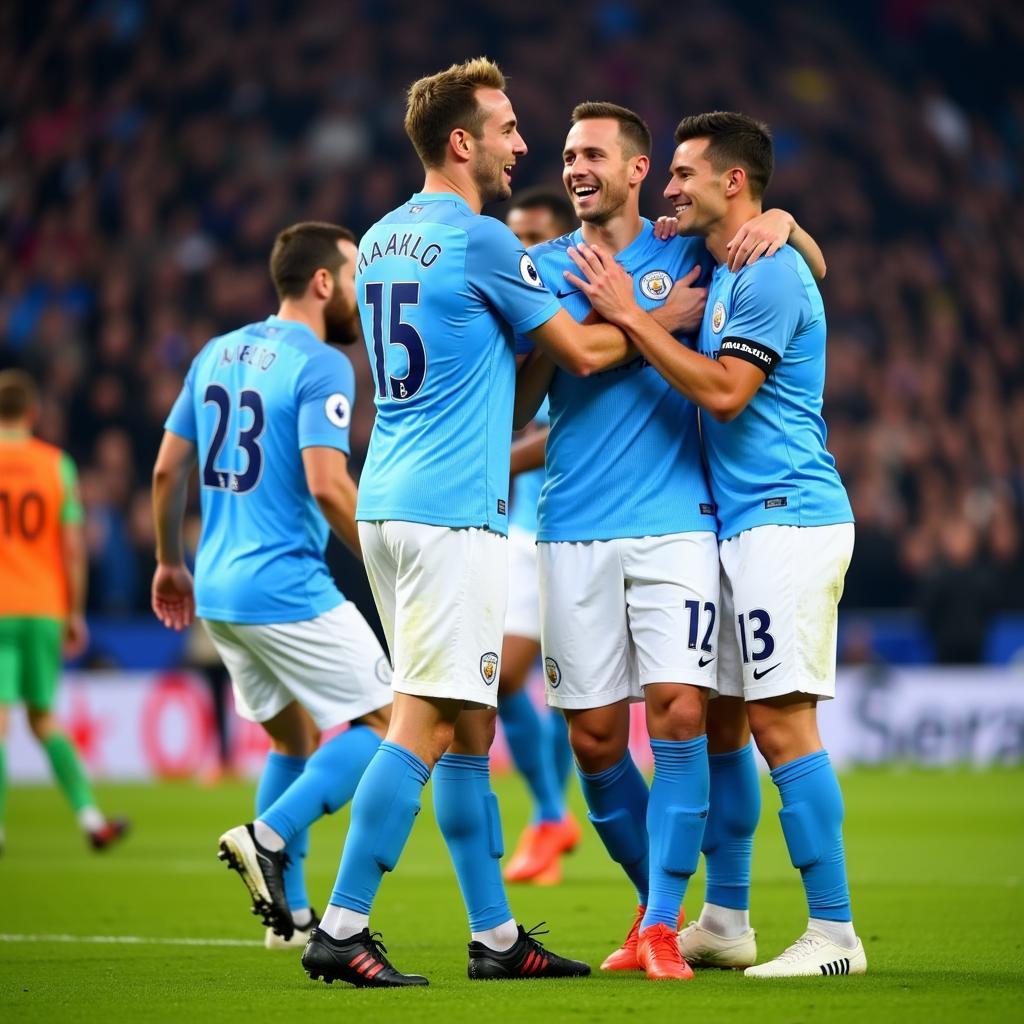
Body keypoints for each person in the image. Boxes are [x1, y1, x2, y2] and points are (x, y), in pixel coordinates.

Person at [301, 57, 638, 990]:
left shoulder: (378, 241)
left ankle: (494, 936)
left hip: (390, 501)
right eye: (508, 128)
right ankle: (342, 925)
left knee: (470, 721)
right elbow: (580, 352)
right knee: (419, 721)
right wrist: (657, 315)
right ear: (462, 142)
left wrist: (541, 337)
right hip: (453, 515)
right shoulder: (485, 240)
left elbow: (500, 377)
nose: (521, 145)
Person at [514, 103, 825, 981]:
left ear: (639, 169)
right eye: (568, 154)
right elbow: (541, 384)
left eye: (593, 155)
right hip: (569, 524)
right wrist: (613, 329)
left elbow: (808, 268)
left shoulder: (686, 249)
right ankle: (662, 902)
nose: (576, 167)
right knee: (595, 744)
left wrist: (783, 219)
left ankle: (658, 924)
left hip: (675, 523)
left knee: (683, 713)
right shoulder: (541, 267)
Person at [151, 222, 393, 950]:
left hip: (218, 592)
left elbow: (167, 471)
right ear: (323, 281)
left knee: (292, 734)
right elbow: (327, 484)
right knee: (391, 724)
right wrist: (385, 563)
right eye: (353, 276)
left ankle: (287, 920)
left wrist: (169, 562)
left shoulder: (214, 353)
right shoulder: (320, 365)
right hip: (285, 585)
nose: (360, 292)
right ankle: (269, 833)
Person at [0, 369, 128, 854]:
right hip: (44, 607)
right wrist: (74, 613)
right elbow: (73, 547)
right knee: (43, 719)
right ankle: (92, 819)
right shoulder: (56, 465)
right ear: (32, 414)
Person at [499, 188, 581, 886]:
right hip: (522, 527)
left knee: (527, 682)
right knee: (536, 685)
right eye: (512, 235)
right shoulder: (513, 312)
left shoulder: (565, 302)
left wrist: (491, 455)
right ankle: (551, 817)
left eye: (531, 236)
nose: (519, 248)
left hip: (556, 525)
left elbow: (565, 432)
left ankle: (552, 816)